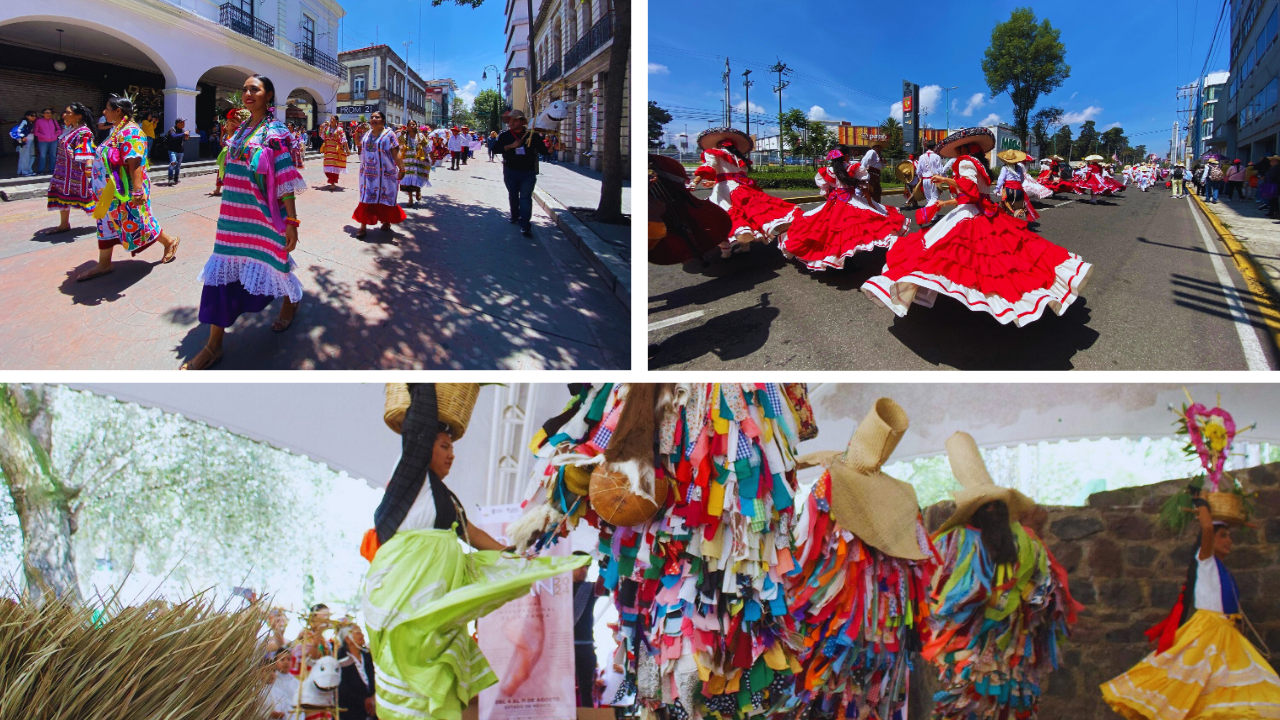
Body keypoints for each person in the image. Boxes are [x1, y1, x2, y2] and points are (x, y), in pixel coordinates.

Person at [360, 384, 589, 720]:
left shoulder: (443, 498)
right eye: (443, 446)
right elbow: (419, 427)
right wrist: (422, 384)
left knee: (437, 663)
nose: (452, 454)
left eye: (452, 447)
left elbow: (473, 533)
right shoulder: (410, 477)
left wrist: (515, 558)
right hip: (405, 594)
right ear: (422, 450)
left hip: (434, 600)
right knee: (409, 663)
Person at [785, 398, 937, 720]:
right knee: (854, 701)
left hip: (854, 637)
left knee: (842, 699)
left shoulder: (830, 486)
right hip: (871, 639)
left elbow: (804, 559)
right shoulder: (894, 501)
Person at [861, 128, 1092, 326]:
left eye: (958, 151)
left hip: (971, 214)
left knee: (948, 255)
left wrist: (946, 181)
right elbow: (973, 196)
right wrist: (946, 201)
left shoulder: (964, 162)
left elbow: (969, 190)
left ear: (962, 150)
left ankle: (970, 300)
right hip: (980, 210)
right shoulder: (979, 165)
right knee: (1001, 257)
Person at [925, 431, 1080, 720]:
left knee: (968, 709)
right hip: (1014, 657)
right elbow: (1045, 601)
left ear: (972, 511)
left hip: (968, 661)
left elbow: (934, 598)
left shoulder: (952, 543)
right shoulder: (1031, 544)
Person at [1101, 485, 1280, 718]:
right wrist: (1202, 503)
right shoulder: (1204, 560)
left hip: (1227, 636)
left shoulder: (1222, 569)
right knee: (1196, 692)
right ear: (1209, 540)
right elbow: (1206, 526)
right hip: (1208, 633)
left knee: (1229, 696)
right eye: (1223, 536)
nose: (1229, 541)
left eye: (1230, 536)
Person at [183, 74, 306, 370]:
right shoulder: (239, 132)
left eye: (255, 89)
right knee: (221, 274)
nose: (248, 93)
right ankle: (214, 346)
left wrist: (291, 220)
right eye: (245, 89)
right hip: (231, 218)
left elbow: (286, 178)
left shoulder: (276, 132)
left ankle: (291, 300)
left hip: (264, 216)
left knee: (274, 263)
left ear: (268, 95)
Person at [77, 94, 180, 282]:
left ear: (118, 111)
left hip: (126, 190)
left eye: (107, 108)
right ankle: (104, 263)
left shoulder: (131, 132)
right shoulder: (116, 130)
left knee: (139, 221)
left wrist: (137, 190)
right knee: (106, 224)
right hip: (108, 192)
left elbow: (135, 163)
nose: (104, 112)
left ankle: (170, 241)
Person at [779, 144, 907, 271]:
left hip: (834, 201)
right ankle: (847, 261)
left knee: (828, 232)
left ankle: (834, 259)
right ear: (846, 156)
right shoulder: (853, 168)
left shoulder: (827, 171)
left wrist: (832, 200)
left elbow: (825, 192)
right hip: (852, 201)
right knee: (853, 232)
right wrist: (871, 203)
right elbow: (864, 187)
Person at [692, 126, 799, 258]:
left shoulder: (713, 152)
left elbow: (708, 168)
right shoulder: (740, 158)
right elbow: (735, 176)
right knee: (748, 213)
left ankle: (726, 251)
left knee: (721, 215)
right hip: (742, 188)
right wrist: (714, 182)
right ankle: (745, 246)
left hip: (725, 190)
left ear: (719, 145)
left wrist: (694, 182)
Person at [44, 103, 98, 234]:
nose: (64, 115)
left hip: (76, 173)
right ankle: (64, 224)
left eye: (68, 112)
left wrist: (89, 170)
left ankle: (113, 222)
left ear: (78, 116)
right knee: (62, 195)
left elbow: (87, 152)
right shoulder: (70, 130)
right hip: (63, 171)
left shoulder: (84, 132)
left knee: (92, 198)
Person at [495, 109, 548, 237]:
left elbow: (543, 151)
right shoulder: (504, 136)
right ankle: (514, 215)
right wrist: (511, 146)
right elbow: (495, 149)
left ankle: (525, 225)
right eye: (509, 120)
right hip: (510, 171)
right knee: (513, 196)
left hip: (528, 173)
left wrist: (552, 149)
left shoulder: (532, 136)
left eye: (513, 120)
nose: (510, 122)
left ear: (521, 121)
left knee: (525, 198)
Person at [353, 110, 406, 238]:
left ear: (383, 121)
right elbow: (358, 144)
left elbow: (395, 153)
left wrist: (402, 169)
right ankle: (363, 227)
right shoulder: (367, 134)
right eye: (372, 117)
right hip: (367, 175)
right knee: (366, 198)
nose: (374, 119)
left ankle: (386, 221)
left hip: (386, 175)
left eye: (377, 117)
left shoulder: (389, 134)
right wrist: (356, 133)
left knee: (385, 198)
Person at [571, 553, 598, 708]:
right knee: (562, 687)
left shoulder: (590, 588)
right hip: (564, 646)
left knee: (586, 689)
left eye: (587, 567)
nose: (584, 570)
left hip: (586, 645)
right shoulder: (558, 588)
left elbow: (610, 586)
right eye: (580, 565)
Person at [337, 623, 377, 720]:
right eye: (358, 633)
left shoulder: (368, 656)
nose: (362, 635)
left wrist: (373, 698)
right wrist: (363, 701)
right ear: (347, 639)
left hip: (374, 709)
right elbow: (342, 689)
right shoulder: (340, 659)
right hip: (352, 712)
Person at [212, 109, 248, 197]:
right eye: (227, 121)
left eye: (229, 121)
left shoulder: (244, 136)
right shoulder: (229, 135)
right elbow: (223, 143)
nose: (227, 124)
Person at [399, 122, 431, 207]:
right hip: (407, 161)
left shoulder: (420, 136)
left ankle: (418, 191)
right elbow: (399, 146)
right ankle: (410, 199)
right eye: (410, 124)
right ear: (407, 126)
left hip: (418, 161)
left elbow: (427, 147)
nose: (412, 126)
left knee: (417, 177)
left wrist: (430, 157)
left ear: (416, 126)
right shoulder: (404, 136)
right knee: (408, 180)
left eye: (414, 124)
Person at [265, 649, 303, 720]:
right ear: (275, 662)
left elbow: (300, 705)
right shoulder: (271, 680)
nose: (286, 662)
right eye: (282, 659)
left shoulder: (297, 683)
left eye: (289, 659)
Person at [320, 115, 348, 188]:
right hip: (328, 151)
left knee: (334, 167)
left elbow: (344, 140)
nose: (331, 120)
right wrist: (321, 127)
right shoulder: (326, 129)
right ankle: (331, 180)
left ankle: (332, 183)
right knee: (327, 168)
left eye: (333, 119)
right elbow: (321, 135)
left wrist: (347, 150)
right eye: (331, 119)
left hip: (336, 151)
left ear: (337, 121)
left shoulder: (339, 129)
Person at [33, 107, 62, 175]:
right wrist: (43, 136)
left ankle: (52, 169)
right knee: (43, 156)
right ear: (43, 114)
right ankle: (41, 170)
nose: (48, 114)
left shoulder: (54, 121)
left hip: (54, 141)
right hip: (43, 141)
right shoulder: (38, 121)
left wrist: (55, 135)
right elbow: (36, 132)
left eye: (50, 113)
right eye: (46, 113)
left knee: (53, 156)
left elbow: (59, 130)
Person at [917, 139, 945, 207]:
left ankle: (929, 214)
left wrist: (920, 178)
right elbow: (941, 170)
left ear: (926, 147)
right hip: (934, 179)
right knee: (935, 198)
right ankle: (931, 215)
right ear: (934, 147)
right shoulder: (937, 157)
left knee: (928, 198)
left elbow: (918, 171)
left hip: (925, 179)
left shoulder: (921, 157)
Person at [10, 110, 38, 176]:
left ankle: (26, 171)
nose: (34, 117)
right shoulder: (24, 121)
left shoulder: (30, 123)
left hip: (30, 141)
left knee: (30, 156)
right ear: (26, 116)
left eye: (35, 116)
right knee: (25, 156)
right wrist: (22, 137)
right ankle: (25, 172)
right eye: (32, 115)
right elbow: (18, 130)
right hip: (25, 142)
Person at [164, 118, 190, 184]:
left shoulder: (182, 131)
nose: (184, 124)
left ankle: (176, 178)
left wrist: (186, 137)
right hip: (172, 150)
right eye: (182, 123)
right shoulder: (172, 129)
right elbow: (173, 136)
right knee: (173, 162)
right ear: (178, 123)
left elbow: (183, 139)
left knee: (178, 166)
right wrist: (183, 134)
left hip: (180, 150)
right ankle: (170, 178)